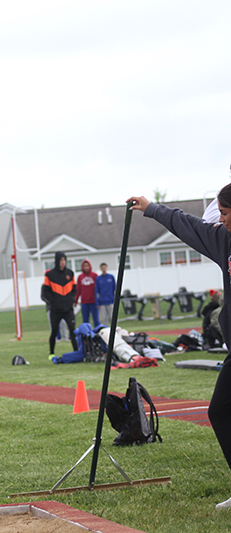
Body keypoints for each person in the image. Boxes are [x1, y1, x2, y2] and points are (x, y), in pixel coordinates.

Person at [129, 190, 231, 510]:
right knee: (220, 411)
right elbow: (188, 225)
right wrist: (151, 208)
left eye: (226, 212)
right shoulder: (224, 241)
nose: (221, 219)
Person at [41, 251, 78, 358]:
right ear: (57, 261)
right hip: (56, 310)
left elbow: (74, 290)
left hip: (68, 309)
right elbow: (45, 293)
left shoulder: (70, 273)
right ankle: (51, 353)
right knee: (54, 331)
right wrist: (52, 302)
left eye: (64, 260)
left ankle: (76, 352)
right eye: (61, 260)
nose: (63, 262)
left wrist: (71, 300)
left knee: (73, 330)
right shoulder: (50, 275)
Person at [75, 260, 99, 327]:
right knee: (85, 321)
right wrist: (75, 300)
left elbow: (98, 289)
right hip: (84, 302)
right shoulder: (80, 277)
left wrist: (98, 300)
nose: (86, 267)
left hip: (93, 301)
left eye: (87, 266)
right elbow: (78, 290)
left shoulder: (94, 276)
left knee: (96, 320)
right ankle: (87, 334)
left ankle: (97, 333)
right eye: (84, 266)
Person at [95, 262, 116, 327]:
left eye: (105, 267)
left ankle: (114, 330)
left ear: (106, 268)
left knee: (112, 317)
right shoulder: (98, 279)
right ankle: (106, 331)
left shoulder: (111, 277)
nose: (104, 269)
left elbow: (114, 289)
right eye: (102, 268)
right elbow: (97, 291)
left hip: (110, 301)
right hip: (102, 302)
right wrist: (97, 302)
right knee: (104, 318)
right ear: (100, 269)